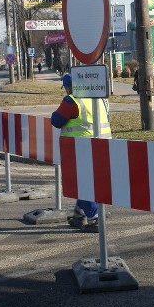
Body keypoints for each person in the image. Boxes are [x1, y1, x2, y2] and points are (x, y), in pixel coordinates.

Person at [51, 73, 111, 232]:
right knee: (89, 181)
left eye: (66, 88)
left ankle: (95, 219)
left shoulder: (72, 100)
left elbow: (56, 120)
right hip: (103, 146)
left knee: (82, 183)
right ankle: (79, 215)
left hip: (80, 148)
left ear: (69, 87)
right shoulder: (100, 98)